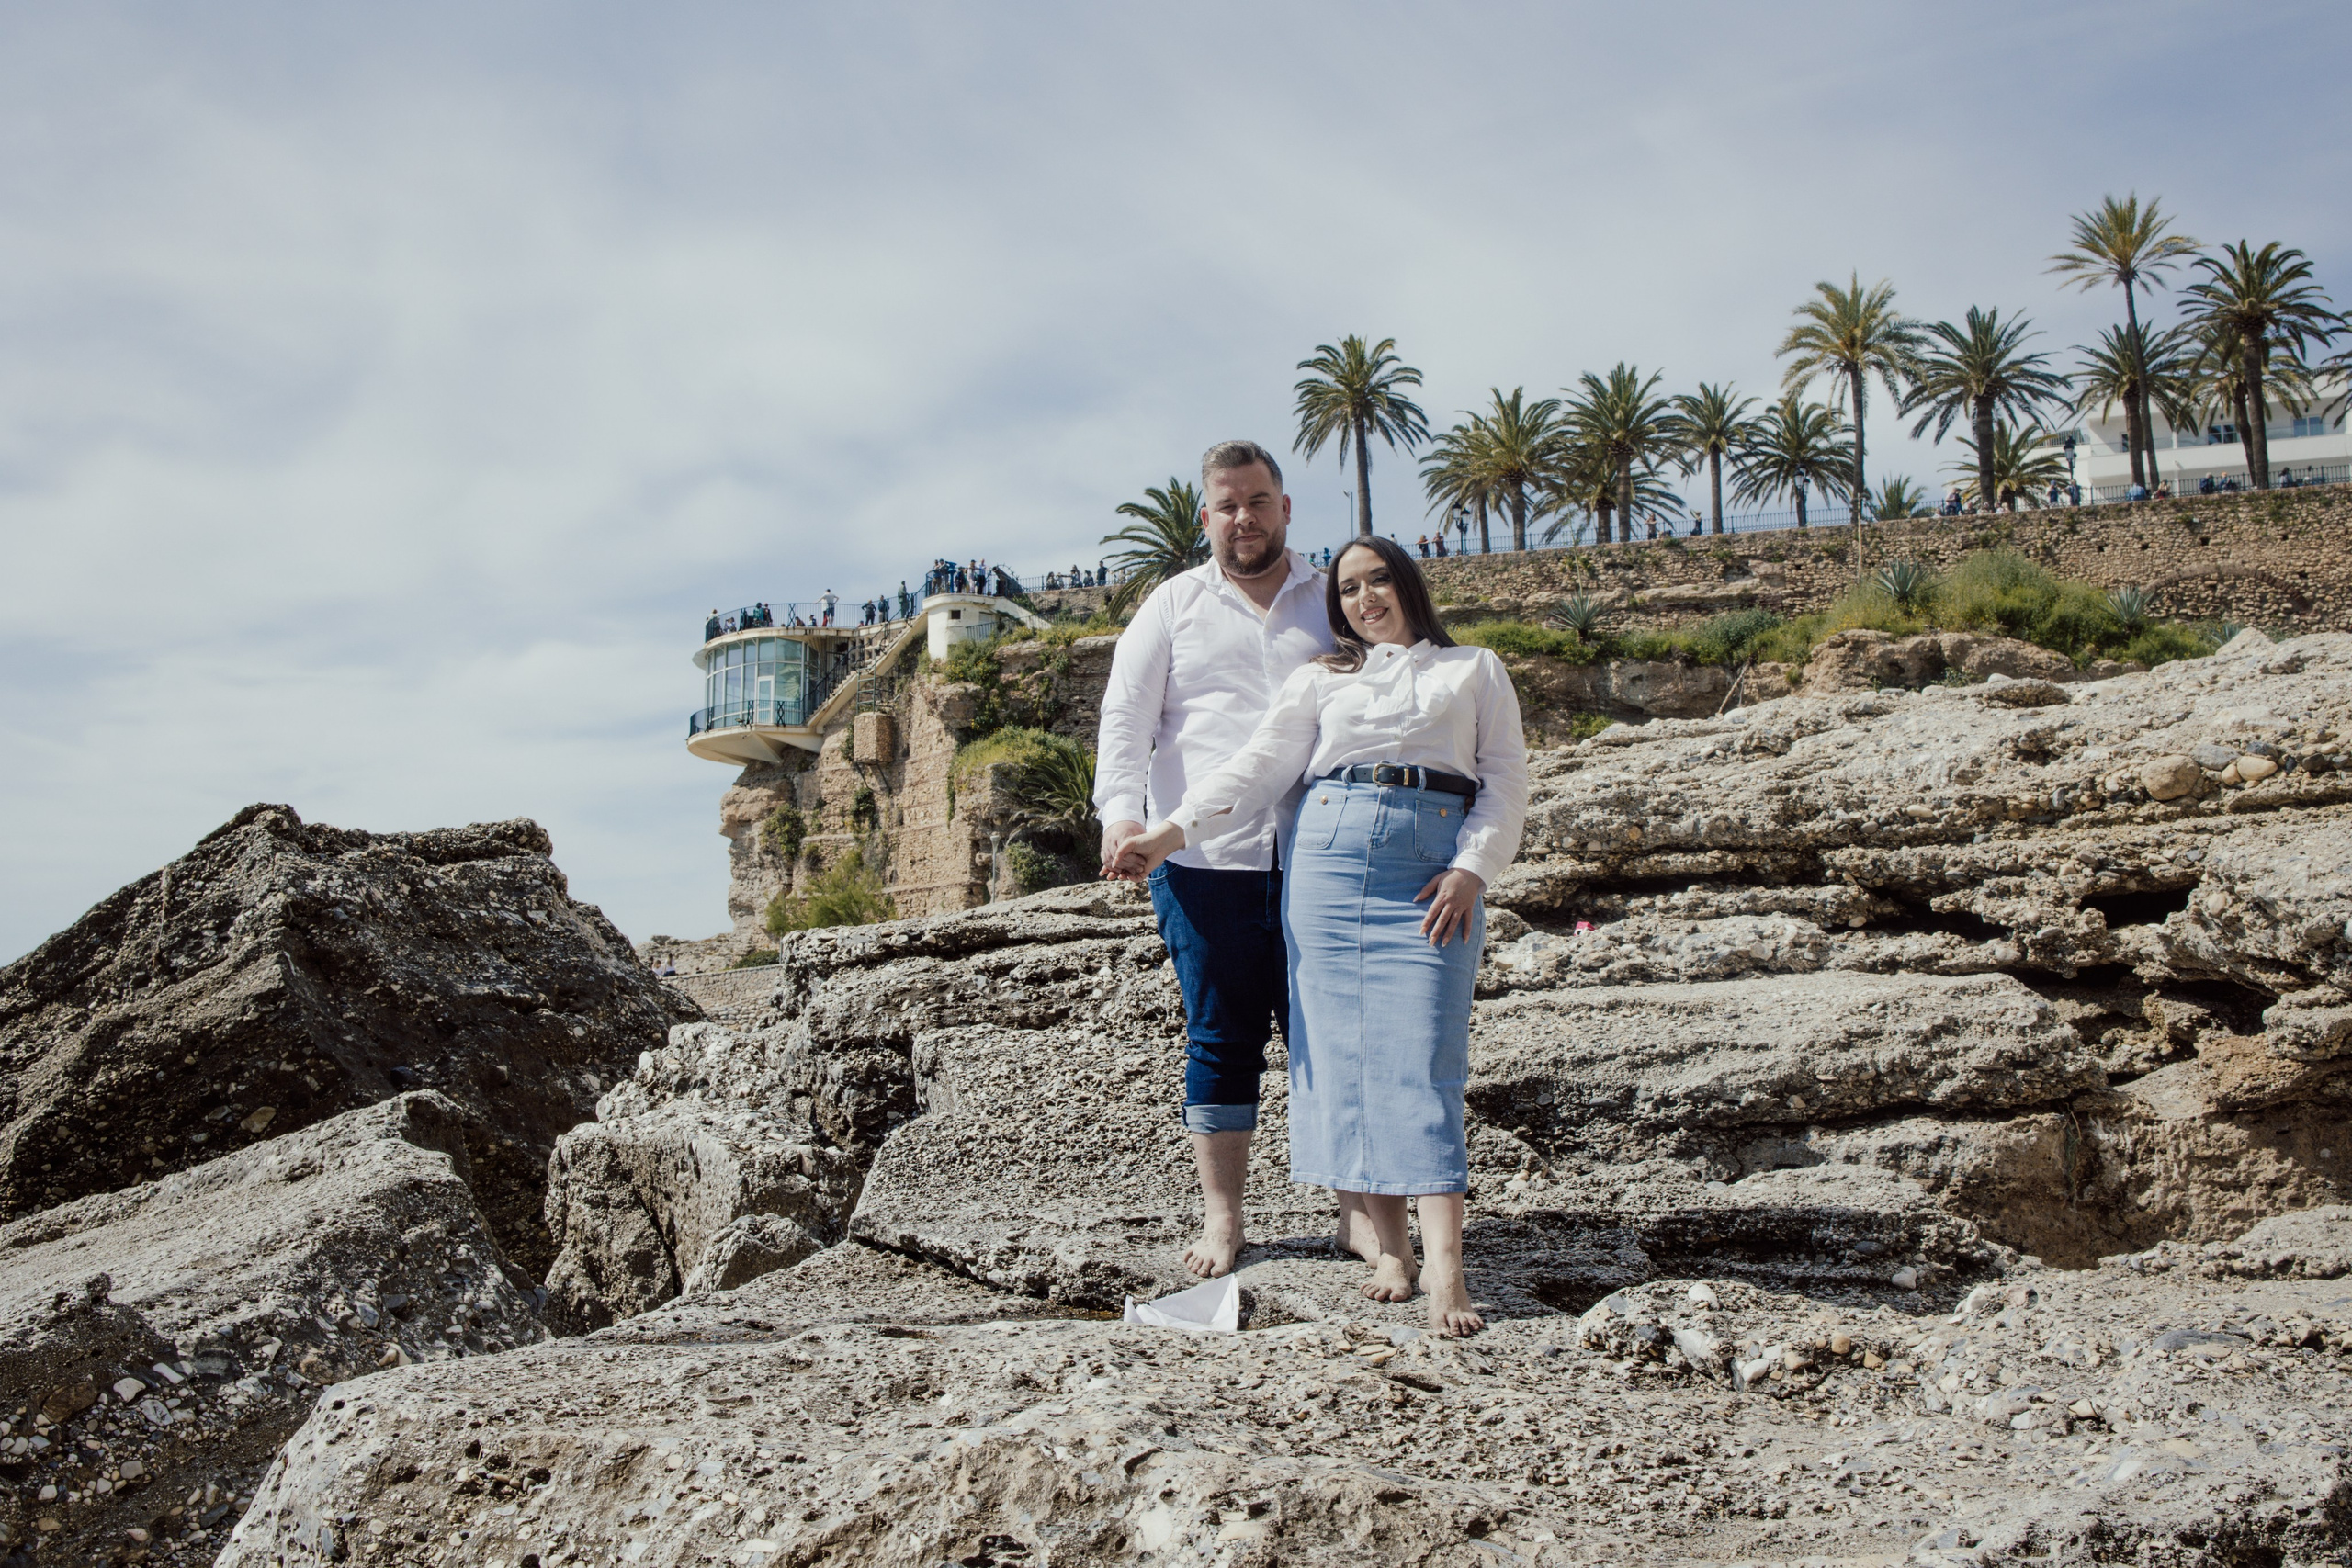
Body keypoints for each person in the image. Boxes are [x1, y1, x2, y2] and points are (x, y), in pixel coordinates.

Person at [1111, 535, 1528, 1337]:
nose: (1365, 599)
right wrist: (1169, 833)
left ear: (1407, 584)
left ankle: (1448, 1268)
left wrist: (1475, 867)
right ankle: (1392, 1251)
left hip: (1429, 861)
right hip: (1329, 862)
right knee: (1341, 1058)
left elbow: (1506, 778)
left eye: (1378, 581)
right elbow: (1260, 766)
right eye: (1347, 590)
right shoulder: (1322, 678)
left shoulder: (1473, 668)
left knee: (1426, 1058)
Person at [1093, 439, 1333, 1281]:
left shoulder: (1331, 599)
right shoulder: (1171, 605)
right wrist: (1123, 816)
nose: (1245, 518)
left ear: (1286, 507)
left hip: (1321, 853)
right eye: (1228, 505)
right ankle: (1224, 1218)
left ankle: (1355, 1216)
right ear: (1206, 517)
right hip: (1201, 861)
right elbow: (1127, 719)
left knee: (1326, 1034)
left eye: (1259, 500)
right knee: (1220, 1036)